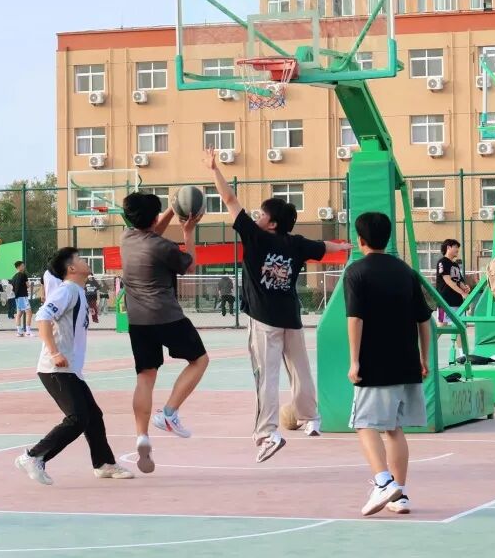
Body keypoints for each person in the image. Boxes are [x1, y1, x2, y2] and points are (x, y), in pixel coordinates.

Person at [206, 149, 348, 460]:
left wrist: (214, 169)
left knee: (266, 376)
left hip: (264, 319)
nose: (255, 216)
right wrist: (351, 245)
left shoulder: (255, 237)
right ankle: (311, 419)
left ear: (271, 224)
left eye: (261, 213)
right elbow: (329, 246)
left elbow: (230, 200)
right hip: (290, 317)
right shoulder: (295, 243)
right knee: (300, 371)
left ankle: (267, 433)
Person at [15, 248, 133, 485]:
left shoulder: (76, 291)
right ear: (71, 269)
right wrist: (55, 352)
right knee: (77, 418)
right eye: (79, 259)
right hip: (55, 368)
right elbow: (42, 317)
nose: (85, 261)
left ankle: (104, 464)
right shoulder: (67, 290)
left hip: (69, 370)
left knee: (93, 415)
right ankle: (34, 456)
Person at [344, 212, 431, 516]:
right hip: (406, 361)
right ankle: (400, 495)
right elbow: (424, 319)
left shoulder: (356, 272)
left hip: (375, 364)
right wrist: (424, 358)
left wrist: (354, 361)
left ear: (361, 240)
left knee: (363, 424)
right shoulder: (405, 271)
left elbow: (355, 318)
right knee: (394, 428)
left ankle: (383, 482)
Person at [120, 191, 208, 473]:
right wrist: (188, 231)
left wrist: (171, 210)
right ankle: (169, 413)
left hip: (138, 320)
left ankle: (142, 435)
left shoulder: (126, 239)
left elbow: (150, 232)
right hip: (166, 315)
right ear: (155, 217)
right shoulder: (164, 247)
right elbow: (190, 265)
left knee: (145, 377)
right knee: (200, 360)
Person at [435, 239, 469, 325]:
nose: (457, 249)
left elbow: (459, 281)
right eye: (456, 247)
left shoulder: (455, 265)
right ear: (448, 247)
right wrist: (462, 293)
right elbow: (448, 281)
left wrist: (464, 288)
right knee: (442, 325)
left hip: (457, 301)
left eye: (458, 247)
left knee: (461, 326)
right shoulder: (442, 262)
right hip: (445, 301)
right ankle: (431, 339)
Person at [12, 262, 31, 337]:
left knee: (19, 314)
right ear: (19, 267)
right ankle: (28, 331)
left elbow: (13, 288)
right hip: (23, 297)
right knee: (29, 312)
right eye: (23, 266)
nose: (24, 267)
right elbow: (28, 285)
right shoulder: (23, 275)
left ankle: (19, 332)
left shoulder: (13, 277)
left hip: (17, 297)